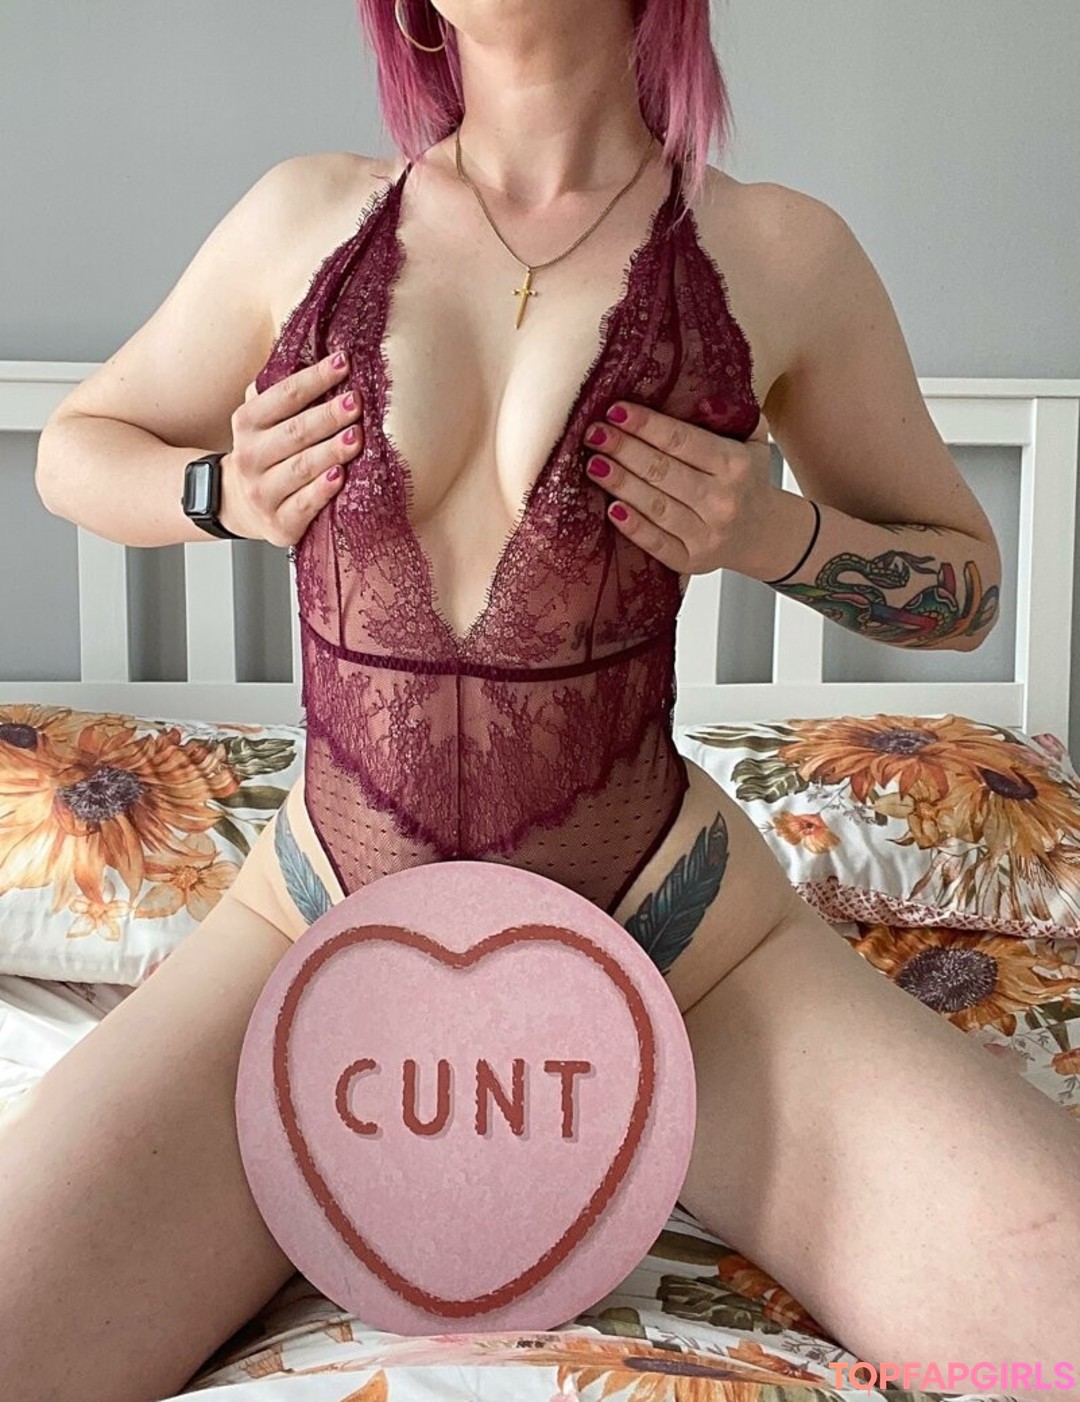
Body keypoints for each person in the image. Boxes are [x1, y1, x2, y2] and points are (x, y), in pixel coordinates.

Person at [13, 1, 1080, 1397]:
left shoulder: (778, 253)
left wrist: (775, 533)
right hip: (314, 929)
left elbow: (967, 590)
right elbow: (72, 448)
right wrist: (215, 490)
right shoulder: (301, 220)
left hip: (683, 953)